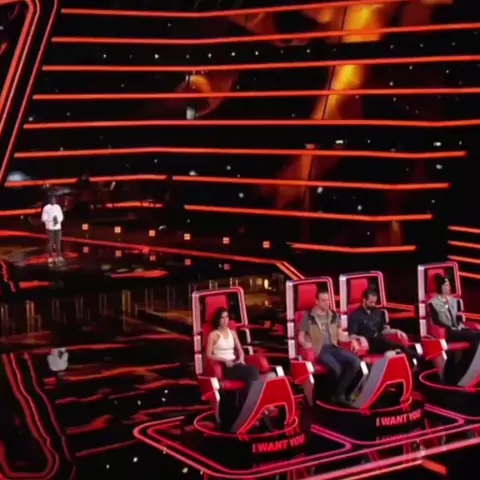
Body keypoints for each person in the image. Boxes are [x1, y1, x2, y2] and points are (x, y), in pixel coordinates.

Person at [298, 290, 364, 404]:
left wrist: (352, 340)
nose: (327, 303)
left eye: (328, 300)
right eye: (323, 300)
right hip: (319, 349)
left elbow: (340, 335)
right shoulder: (308, 317)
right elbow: (300, 336)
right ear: (317, 301)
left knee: (356, 362)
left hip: (333, 347)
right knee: (336, 368)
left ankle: (340, 394)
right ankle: (331, 396)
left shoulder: (334, 315)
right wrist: (306, 344)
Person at [429, 274, 480, 383]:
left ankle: (466, 367)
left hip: (457, 329)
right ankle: (464, 369)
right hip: (448, 332)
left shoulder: (451, 300)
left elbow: (456, 319)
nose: (449, 287)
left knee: (477, 334)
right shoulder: (433, 303)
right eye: (446, 285)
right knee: (477, 336)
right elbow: (437, 321)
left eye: (449, 285)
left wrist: (460, 325)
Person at [348, 289, 419, 359]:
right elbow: (352, 335)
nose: (373, 304)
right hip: (369, 343)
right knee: (399, 346)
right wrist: (361, 338)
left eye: (374, 302)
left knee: (395, 342)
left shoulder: (377, 312)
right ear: (364, 300)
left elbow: (382, 330)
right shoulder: (356, 315)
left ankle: (402, 351)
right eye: (371, 302)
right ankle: (417, 356)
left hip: (380, 339)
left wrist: (395, 331)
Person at [206, 308, 260, 395]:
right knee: (252, 370)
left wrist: (241, 359)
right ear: (218, 320)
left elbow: (240, 350)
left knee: (250, 376)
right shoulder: (213, 335)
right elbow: (208, 354)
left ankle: (250, 401)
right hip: (224, 366)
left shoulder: (232, 333)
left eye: (226, 317)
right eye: (222, 318)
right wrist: (224, 360)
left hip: (236, 364)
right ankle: (253, 401)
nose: (225, 320)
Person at [41, 196, 64, 266]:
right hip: (50, 228)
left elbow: (61, 216)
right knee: (51, 242)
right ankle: (50, 257)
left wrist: (57, 220)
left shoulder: (58, 207)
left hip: (58, 227)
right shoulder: (46, 208)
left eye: (54, 199)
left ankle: (59, 256)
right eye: (52, 199)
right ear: (49, 200)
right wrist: (52, 219)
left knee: (58, 242)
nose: (54, 201)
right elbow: (43, 218)